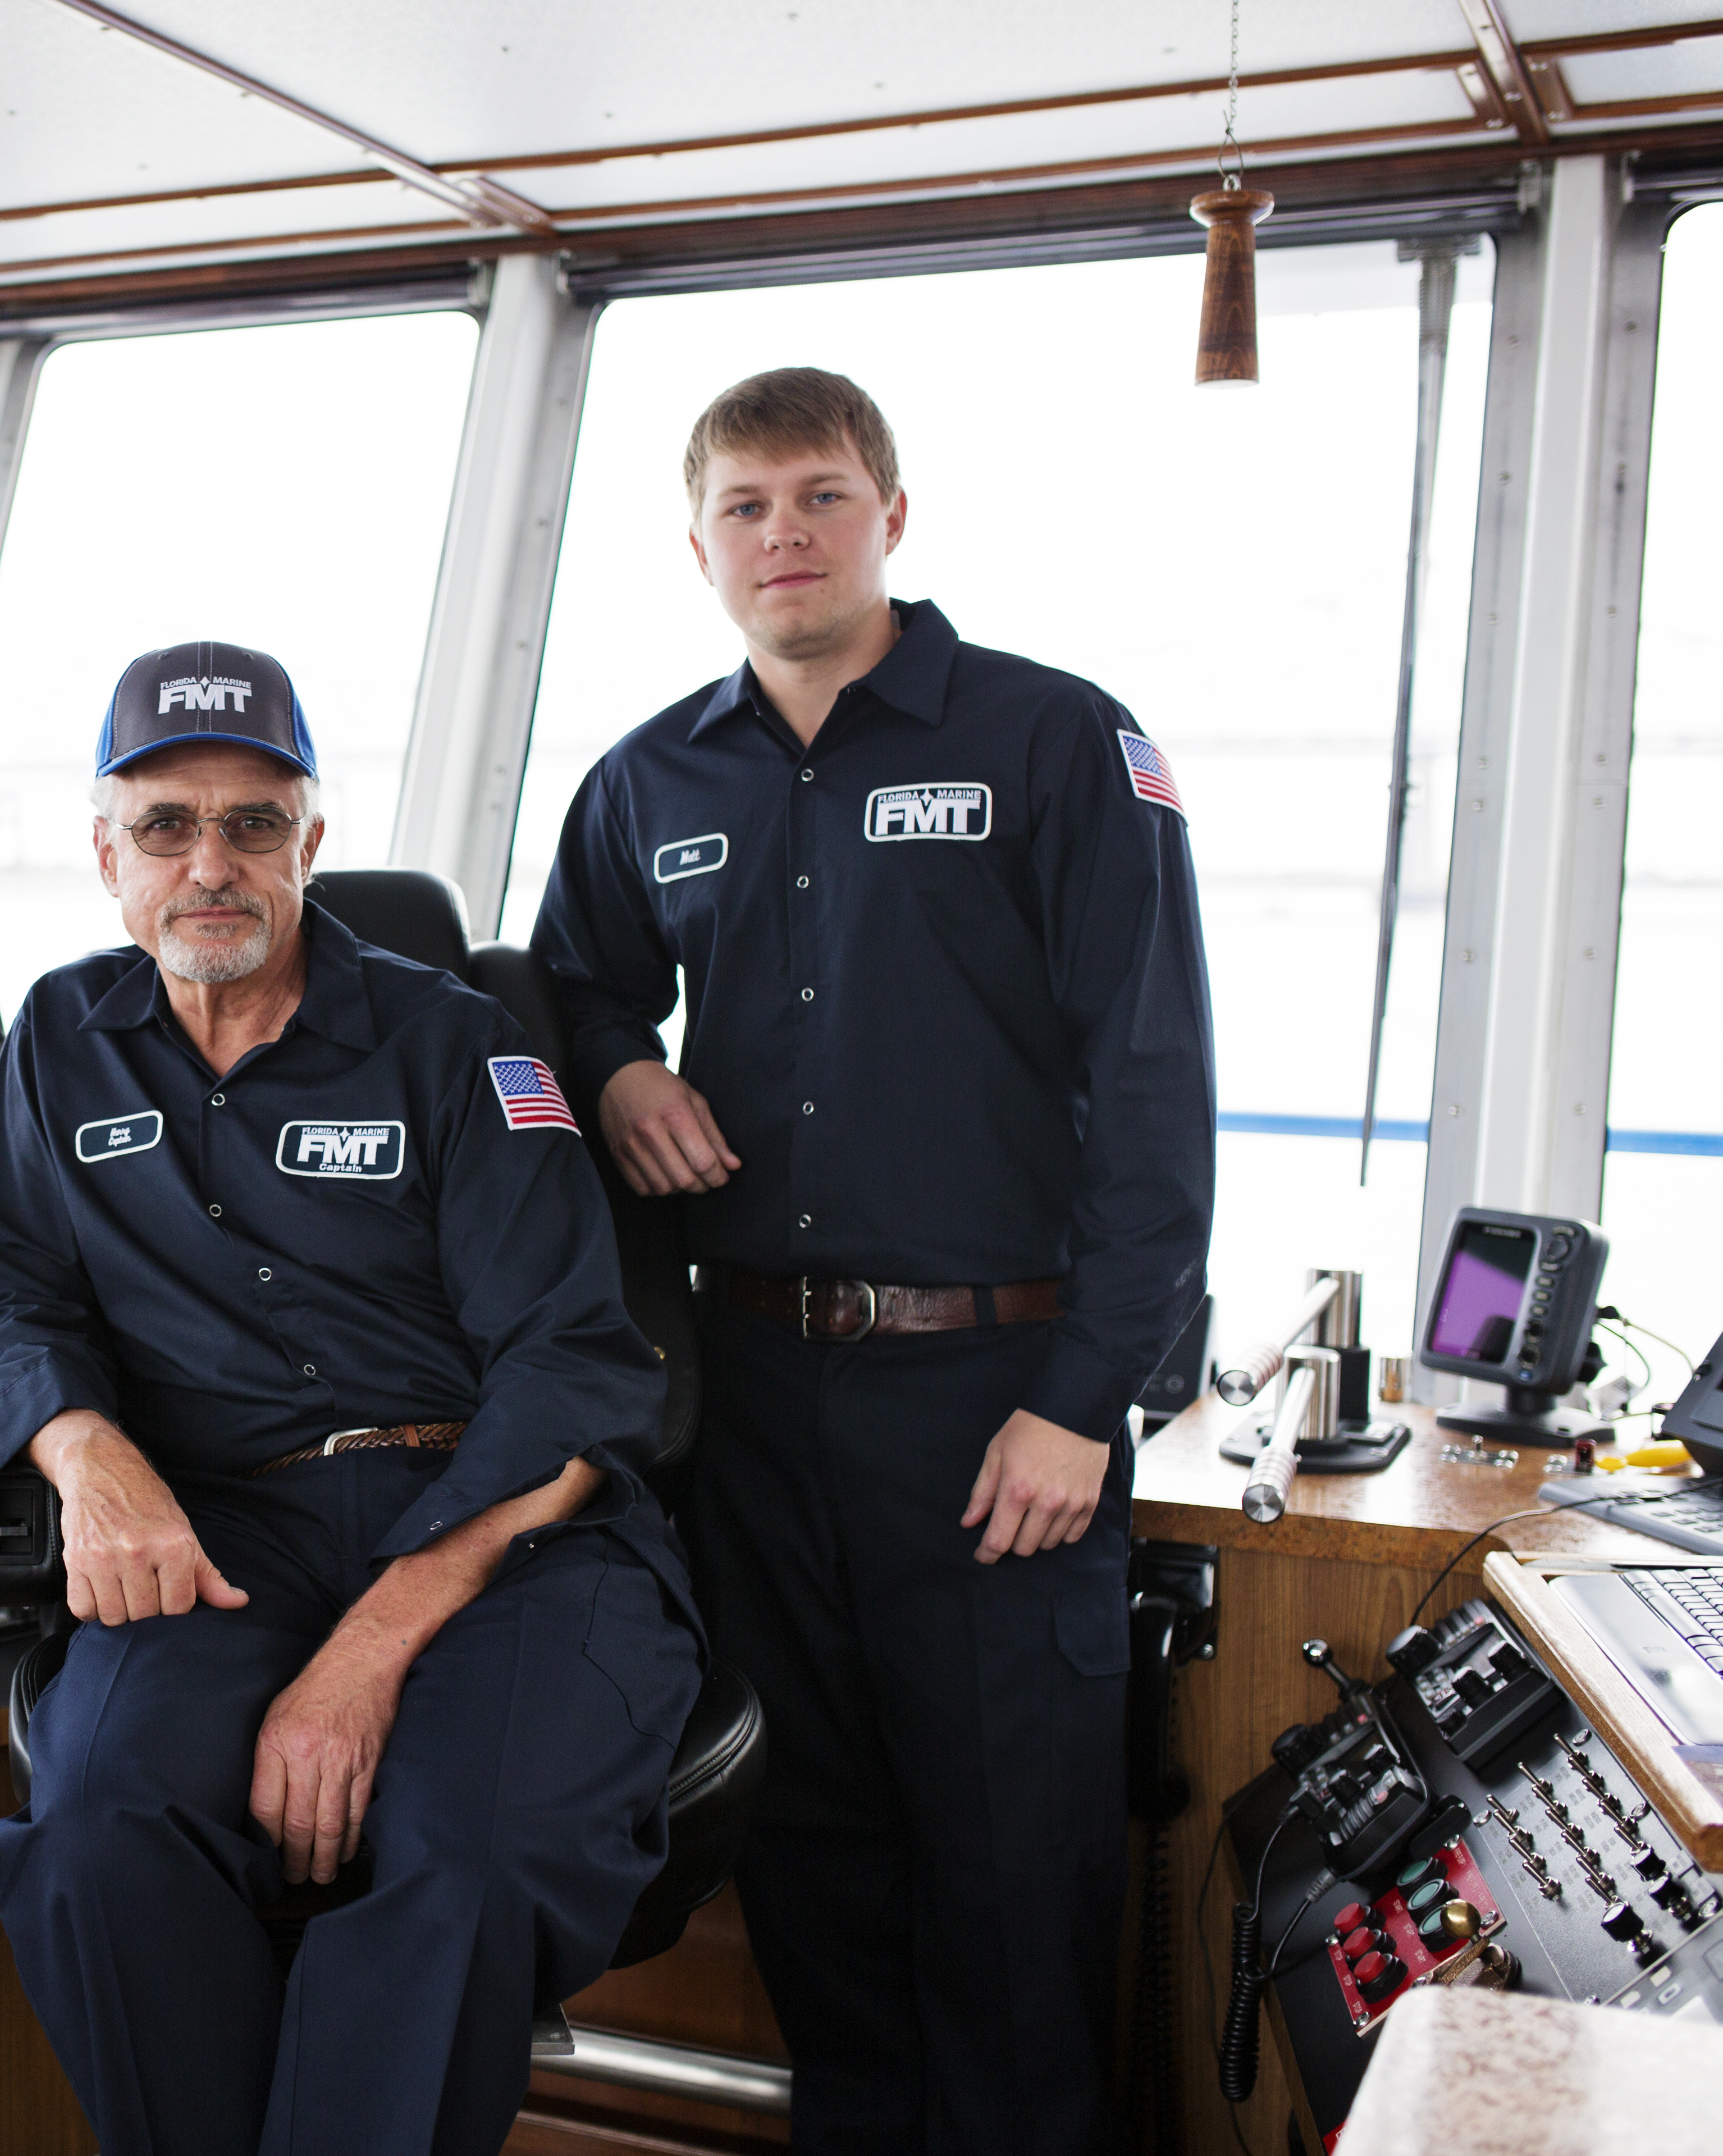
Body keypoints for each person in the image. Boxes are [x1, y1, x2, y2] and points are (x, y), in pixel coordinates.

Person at [528, 368, 1215, 2155]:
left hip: (995, 1400)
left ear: (891, 517)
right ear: (699, 545)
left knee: (1008, 1874)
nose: (786, 535)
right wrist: (618, 1066)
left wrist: (1086, 1401)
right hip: (753, 1401)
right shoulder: (645, 777)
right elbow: (566, 984)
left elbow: (1152, 1089)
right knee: (815, 1853)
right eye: (748, 507)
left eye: (821, 495)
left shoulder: (1060, 740)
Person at [0, 639, 705, 2156]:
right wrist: (90, 1456)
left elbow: (572, 1371)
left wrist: (364, 1655)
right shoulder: (59, 1045)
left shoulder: (462, 1047)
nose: (209, 864)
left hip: (501, 1532)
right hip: (226, 1529)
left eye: (253, 824)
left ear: (313, 845)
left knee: (463, 1859)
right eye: (167, 826)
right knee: (94, 1842)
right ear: (108, 855)